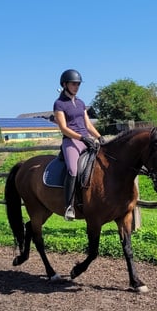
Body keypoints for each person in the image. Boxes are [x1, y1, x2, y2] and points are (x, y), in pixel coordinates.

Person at [53, 69, 104, 221]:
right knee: (73, 169)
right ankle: (69, 206)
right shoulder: (59, 104)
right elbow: (63, 128)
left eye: (78, 84)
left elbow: (87, 124)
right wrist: (81, 138)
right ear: (65, 84)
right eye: (73, 84)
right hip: (71, 140)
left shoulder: (81, 103)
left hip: (86, 139)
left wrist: (99, 137)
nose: (76, 87)